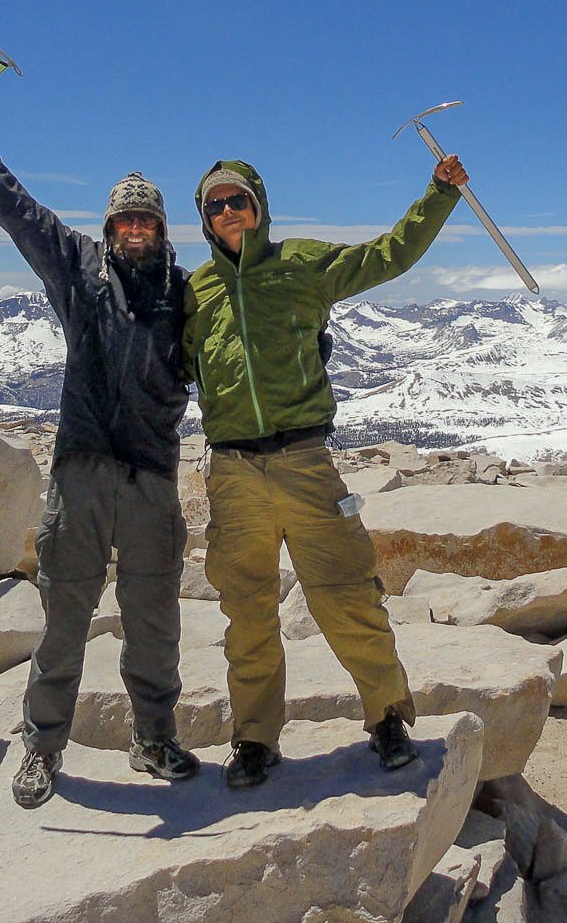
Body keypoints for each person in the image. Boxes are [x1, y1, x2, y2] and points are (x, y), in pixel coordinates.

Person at [0, 99, 199, 808]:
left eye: (145, 220)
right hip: (81, 475)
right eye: (123, 221)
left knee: (154, 623)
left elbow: (233, 353)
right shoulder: (79, 271)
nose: (134, 229)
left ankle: (153, 738)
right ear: (110, 229)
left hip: (151, 479)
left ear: (161, 229)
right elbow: (14, 209)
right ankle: (42, 750)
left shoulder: (184, 294)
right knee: (64, 624)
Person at [182, 153, 469, 787]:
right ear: (203, 220)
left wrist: (439, 195)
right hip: (231, 472)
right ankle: (254, 739)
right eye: (214, 206)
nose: (228, 212)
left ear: (258, 205)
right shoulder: (195, 292)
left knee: (346, 595)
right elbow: (166, 366)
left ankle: (387, 718)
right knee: (248, 611)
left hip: (305, 462)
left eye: (237, 201)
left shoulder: (301, 264)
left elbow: (387, 255)